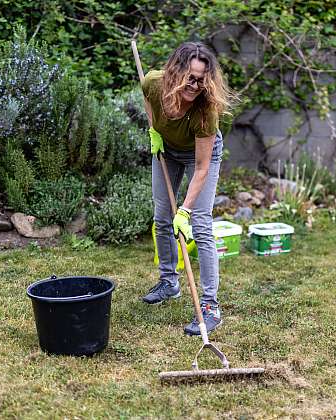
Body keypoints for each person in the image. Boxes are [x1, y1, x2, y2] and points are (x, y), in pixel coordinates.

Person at [140, 42, 234, 336]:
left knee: (201, 224)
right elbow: (148, 101)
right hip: (167, 149)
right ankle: (169, 282)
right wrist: (154, 130)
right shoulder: (154, 84)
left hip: (200, 156)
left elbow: (203, 168)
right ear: (175, 73)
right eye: (190, 78)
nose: (195, 85)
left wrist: (186, 209)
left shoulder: (206, 110)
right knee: (161, 216)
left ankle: (210, 307)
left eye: (202, 79)